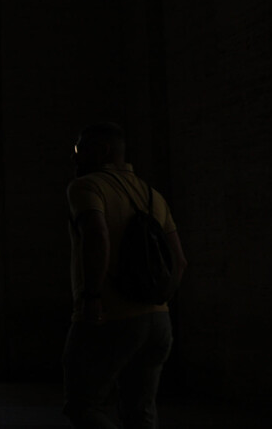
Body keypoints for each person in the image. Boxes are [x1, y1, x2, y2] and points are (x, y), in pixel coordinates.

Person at [63, 122, 187, 428]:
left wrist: (92, 297)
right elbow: (180, 261)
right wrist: (157, 301)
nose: (74, 157)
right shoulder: (152, 194)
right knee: (141, 412)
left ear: (103, 151)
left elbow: (97, 235)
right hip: (159, 320)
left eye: (79, 150)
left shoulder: (87, 186)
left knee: (84, 406)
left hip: (107, 315)